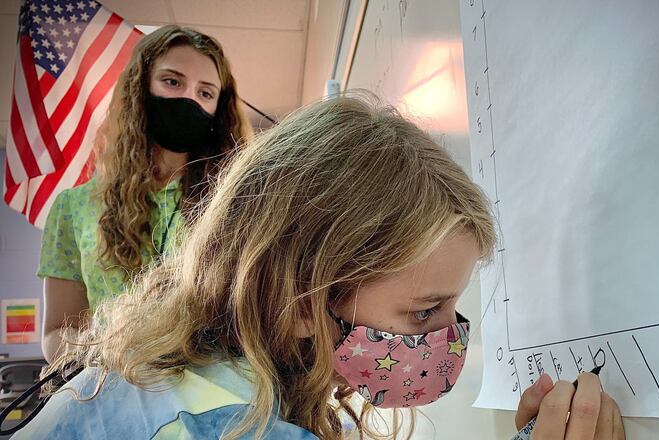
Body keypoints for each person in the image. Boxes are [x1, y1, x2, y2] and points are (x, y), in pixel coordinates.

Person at [17, 96, 624, 439]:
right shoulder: (223, 422)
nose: (449, 335)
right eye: (423, 310)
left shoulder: (203, 378)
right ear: (303, 300)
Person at [37, 25, 252, 362]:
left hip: (210, 395)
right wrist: (94, 351)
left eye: (206, 93)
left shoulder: (236, 204)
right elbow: (56, 333)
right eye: (173, 82)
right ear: (140, 89)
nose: (189, 99)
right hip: (109, 388)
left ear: (218, 110)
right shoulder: (72, 207)